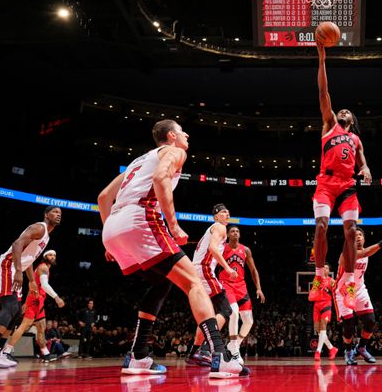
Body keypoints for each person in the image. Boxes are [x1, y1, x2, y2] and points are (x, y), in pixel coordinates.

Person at [99, 119, 245, 378]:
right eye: (182, 131)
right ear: (171, 136)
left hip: (112, 227)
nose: (187, 134)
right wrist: (174, 225)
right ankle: (220, 356)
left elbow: (103, 197)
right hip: (140, 218)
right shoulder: (175, 151)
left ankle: (139, 355)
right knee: (193, 283)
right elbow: (160, 177)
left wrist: (109, 238)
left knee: (161, 283)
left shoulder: (137, 161)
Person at [310, 43, 372, 308]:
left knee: (351, 231)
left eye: (348, 112)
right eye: (342, 110)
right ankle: (319, 276)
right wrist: (322, 59)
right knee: (322, 225)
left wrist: (366, 168)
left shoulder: (355, 139)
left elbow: (362, 162)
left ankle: (347, 281)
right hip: (326, 182)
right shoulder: (329, 125)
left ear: (353, 120)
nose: (343, 112)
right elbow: (324, 91)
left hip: (347, 185)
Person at [0, 206, 62, 369]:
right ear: (46, 215)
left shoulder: (47, 237)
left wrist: (32, 281)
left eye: (60, 213)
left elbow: (28, 259)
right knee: (10, 307)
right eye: (55, 212)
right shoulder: (39, 228)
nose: (58, 215)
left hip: (16, 268)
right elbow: (17, 244)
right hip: (7, 266)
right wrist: (18, 272)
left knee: (16, 313)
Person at [186, 204, 240, 366]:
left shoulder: (213, 228)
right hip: (204, 270)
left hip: (196, 271)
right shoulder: (220, 227)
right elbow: (212, 248)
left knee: (206, 315)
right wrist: (228, 268)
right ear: (216, 217)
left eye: (227, 211)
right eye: (223, 212)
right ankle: (205, 348)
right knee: (226, 309)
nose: (227, 213)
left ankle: (192, 353)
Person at [336, 229, 382, 365]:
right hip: (343, 290)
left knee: (370, 321)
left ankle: (361, 348)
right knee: (349, 325)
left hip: (359, 290)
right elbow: (364, 253)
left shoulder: (367, 251)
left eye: (360, 235)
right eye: (355, 235)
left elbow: (366, 252)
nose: (358, 237)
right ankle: (348, 351)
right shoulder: (346, 254)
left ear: (364, 239)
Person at [3, 249, 65, 363]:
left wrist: (26, 302)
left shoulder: (43, 268)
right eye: (50, 255)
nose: (52, 257)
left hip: (38, 300)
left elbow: (32, 286)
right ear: (45, 256)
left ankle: (45, 354)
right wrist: (57, 298)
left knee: (41, 326)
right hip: (36, 300)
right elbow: (45, 285)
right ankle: (6, 351)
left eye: (54, 255)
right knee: (24, 326)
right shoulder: (43, 268)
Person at [218, 225, 265, 359]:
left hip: (241, 286)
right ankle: (233, 345)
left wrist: (259, 288)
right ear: (227, 235)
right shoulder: (222, 248)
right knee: (233, 311)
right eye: (232, 231)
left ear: (240, 235)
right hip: (226, 284)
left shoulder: (245, 250)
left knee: (249, 321)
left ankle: (235, 344)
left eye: (237, 231)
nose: (235, 233)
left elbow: (253, 270)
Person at [309, 265, 338, 361]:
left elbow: (336, 293)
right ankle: (331, 348)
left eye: (327, 268)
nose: (325, 269)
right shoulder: (317, 279)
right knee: (318, 330)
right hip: (316, 305)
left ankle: (318, 352)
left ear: (329, 271)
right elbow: (313, 290)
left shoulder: (332, 281)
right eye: (323, 268)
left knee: (323, 326)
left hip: (326, 304)